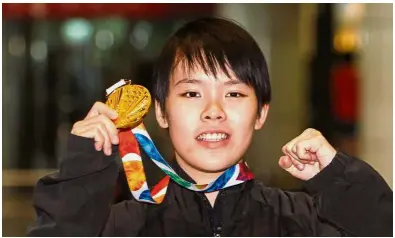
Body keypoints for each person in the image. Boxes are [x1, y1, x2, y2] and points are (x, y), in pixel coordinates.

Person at [27, 18, 392, 237]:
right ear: (162, 113)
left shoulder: (300, 221)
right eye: (191, 93)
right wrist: (82, 170)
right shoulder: (123, 226)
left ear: (261, 112)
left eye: (234, 93)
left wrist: (338, 178)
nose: (214, 110)